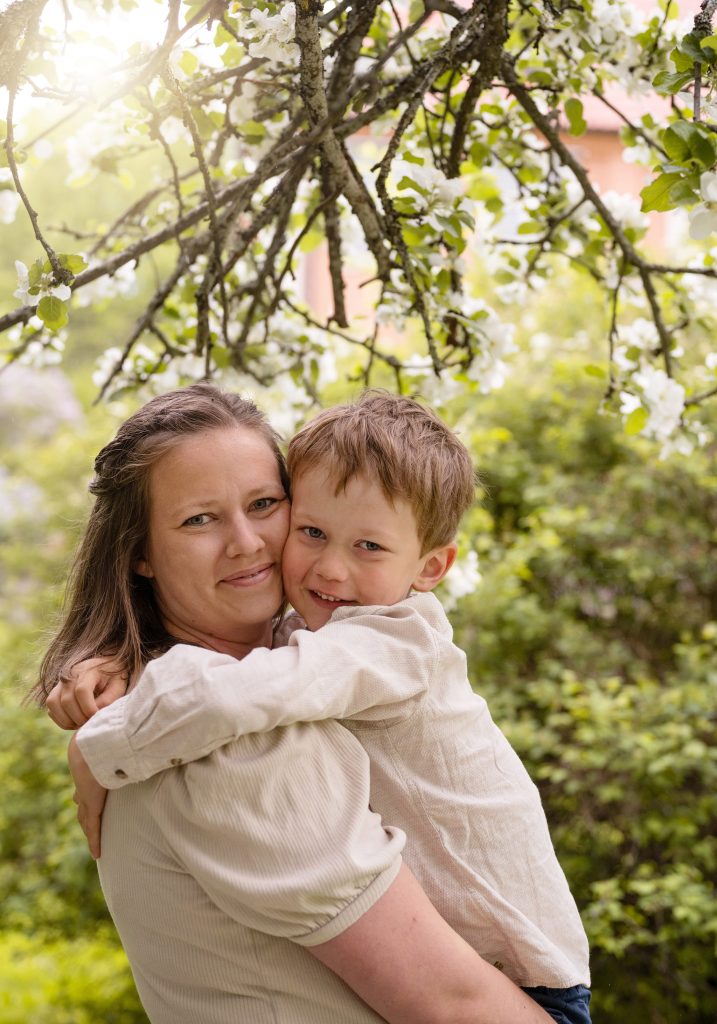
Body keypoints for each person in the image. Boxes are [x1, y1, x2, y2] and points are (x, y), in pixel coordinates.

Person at [49, 390, 592, 1024]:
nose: (247, 542)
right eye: (200, 519)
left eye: (263, 505)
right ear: (139, 551)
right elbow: (450, 1005)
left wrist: (99, 742)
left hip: (532, 970)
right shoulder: (240, 741)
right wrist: (107, 731)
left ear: (430, 565)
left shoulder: (345, 653)